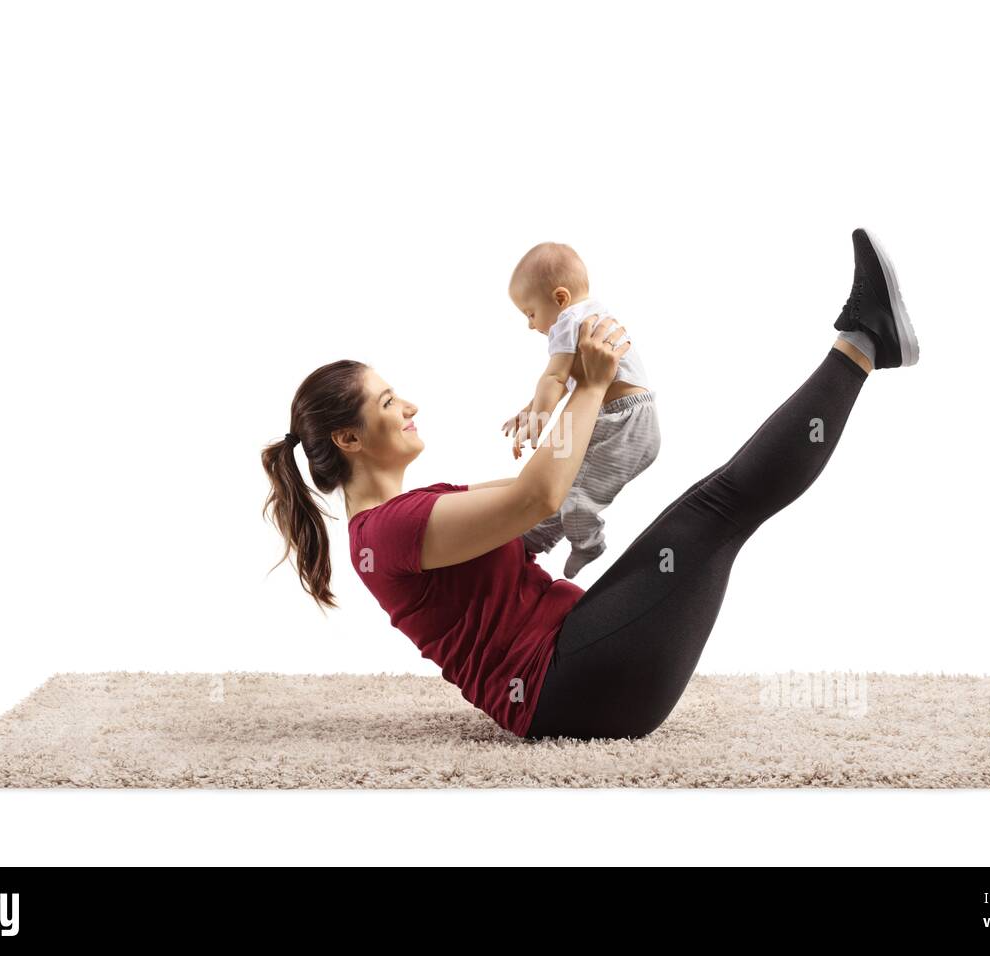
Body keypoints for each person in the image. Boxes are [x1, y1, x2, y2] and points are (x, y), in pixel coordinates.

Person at [261, 228, 919, 741]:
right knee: (720, 507)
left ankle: (865, 342)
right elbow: (537, 497)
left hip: (578, 661)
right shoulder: (389, 529)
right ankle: (865, 340)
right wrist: (593, 386)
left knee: (718, 508)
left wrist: (590, 413)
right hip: (571, 686)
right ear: (347, 441)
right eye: (387, 404)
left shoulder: (409, 513)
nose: (409, 407)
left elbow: (539, 503)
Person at [503, 241, 661, 578]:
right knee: (562, 482)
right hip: (622, 418)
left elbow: (555, 377)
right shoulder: (591, 314)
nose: (531, 325)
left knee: (575, 498)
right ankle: (531, 540)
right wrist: (530, 409)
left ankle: (589, 542)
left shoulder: (568, 321)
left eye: (531, 313)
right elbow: (567, 380)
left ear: (560, 298)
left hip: (621, 422)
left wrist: (538, 422)